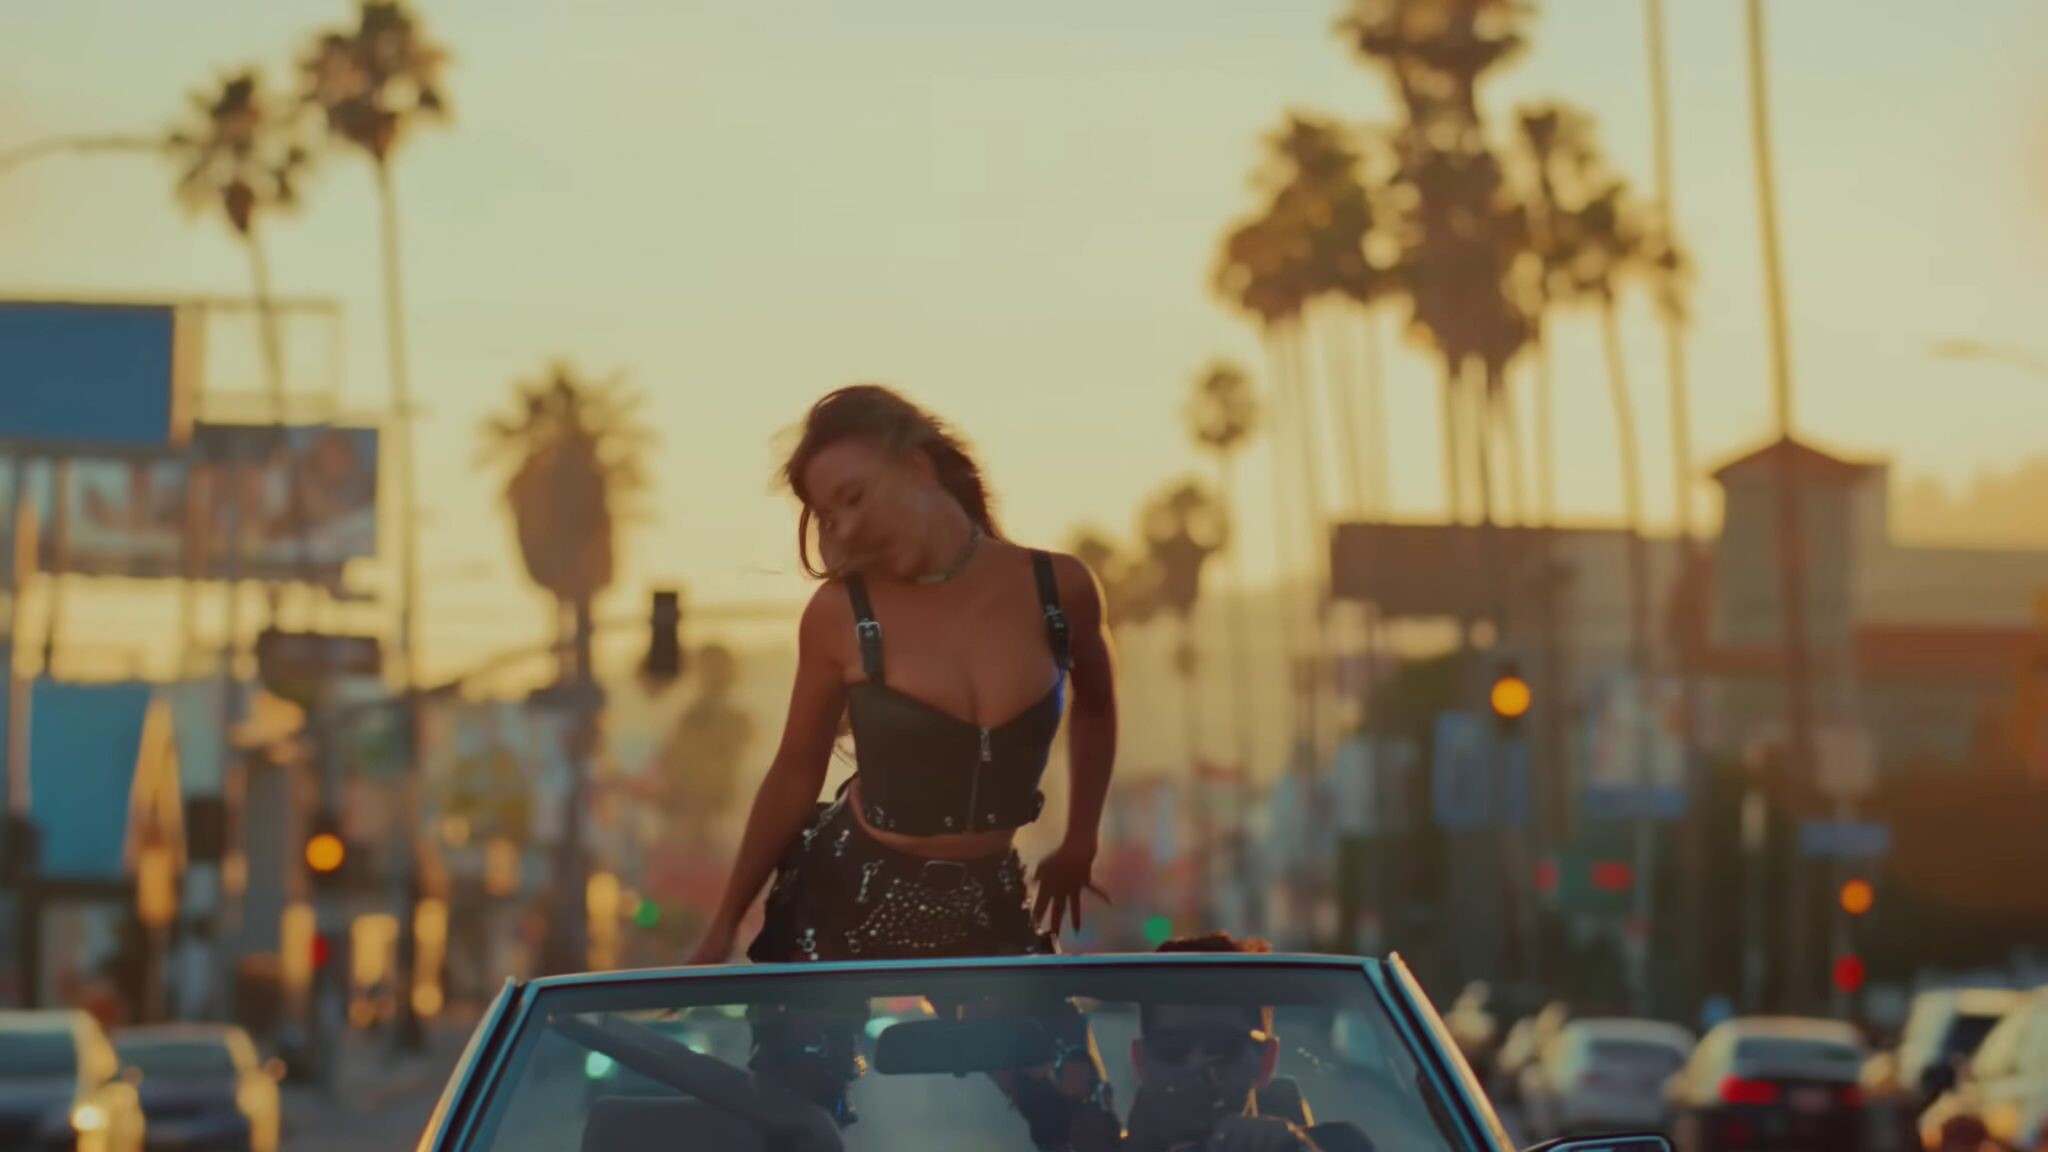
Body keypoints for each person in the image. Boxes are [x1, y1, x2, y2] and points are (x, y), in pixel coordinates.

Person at [686, 383, 1120, 1146]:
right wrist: (723, 923)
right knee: (791, 1124)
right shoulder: (839, 615)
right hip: (844, 899)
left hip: (986, 899)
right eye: (828, 513)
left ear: (919, 467)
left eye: (854, 496)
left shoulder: (1058, 589)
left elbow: (1096, 706)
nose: (845, 526)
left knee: (1082, 1115)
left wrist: (1079, 839)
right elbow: (795, 772)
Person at [1126, 934, 1374, 1152]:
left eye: (1222, 1047)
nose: (1197, 1064)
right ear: (1139, 1060)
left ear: (1266, 1060)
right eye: (1172, 1047)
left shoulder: (1341, 1147)